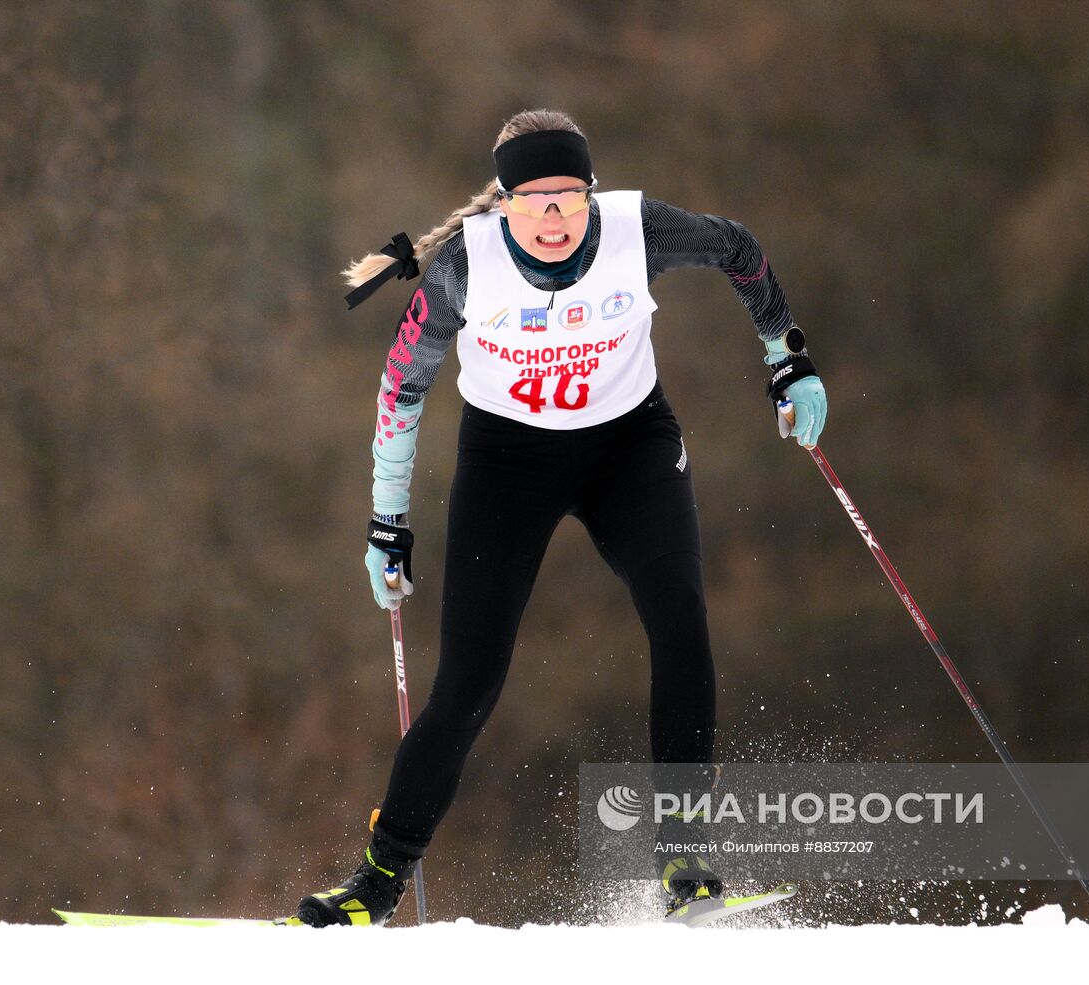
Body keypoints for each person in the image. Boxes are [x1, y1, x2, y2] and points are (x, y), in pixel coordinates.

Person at [296, 108, 826, 927]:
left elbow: (739, 249)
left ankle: (685, 860)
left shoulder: (635, 229)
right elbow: (401, 390)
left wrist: (786, 353)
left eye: (569, 196)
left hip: (630, 450)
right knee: (468, 685)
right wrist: (386, 521)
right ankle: (374, 881)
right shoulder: (462, 267)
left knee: (681, 622)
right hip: (508, 465)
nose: (553, 217)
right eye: (534, 199)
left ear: (592, 193)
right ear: (502, 204)